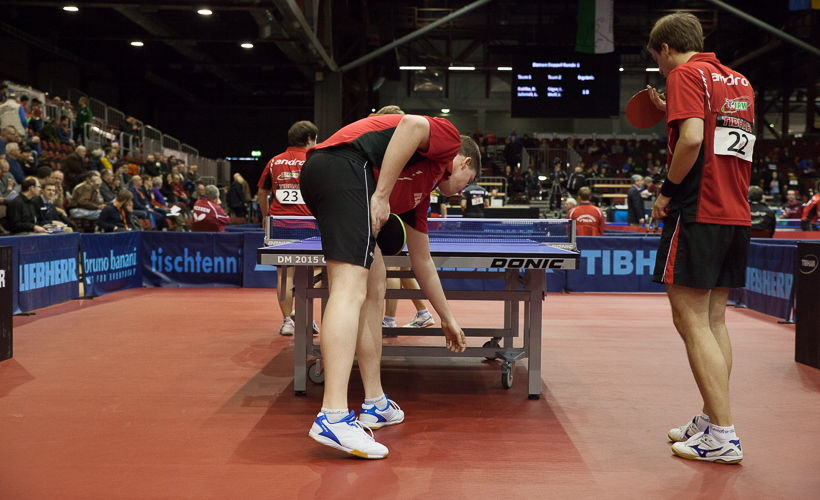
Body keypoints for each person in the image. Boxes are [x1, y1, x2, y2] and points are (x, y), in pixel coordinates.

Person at [299, 113, 479, 459]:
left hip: (329, 173)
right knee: (348, 288)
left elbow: (422, 261)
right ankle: (333, 416)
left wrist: (446, 317)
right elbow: (411, 124)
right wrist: (381, 196)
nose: (461, 192)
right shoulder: (450, 140)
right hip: (344, 166)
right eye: (466, 182)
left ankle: (375, 401)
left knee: (374, 284)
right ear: (463, 162)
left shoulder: (418, 196)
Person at [647, 11, 752, 464]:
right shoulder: (739, 81)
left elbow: (691, 139)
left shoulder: (684, 74)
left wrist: (665, 192)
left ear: (665, 49)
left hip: (697, 210)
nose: (660, 69)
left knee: (690, 320)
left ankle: (723, 436)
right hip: (735, 211)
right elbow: (713, 137)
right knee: (713, 321)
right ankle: (712, 419)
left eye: (657, 60)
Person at [256, 120, 319, 335]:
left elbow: (262, 193)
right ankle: (304, 314)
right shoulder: (316, 160)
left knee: (285, 276)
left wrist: (266, 216)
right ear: (310, 139)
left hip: (280, 225)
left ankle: (287, 322)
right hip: (311, 226)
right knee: (319, 273)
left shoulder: (274, 162)